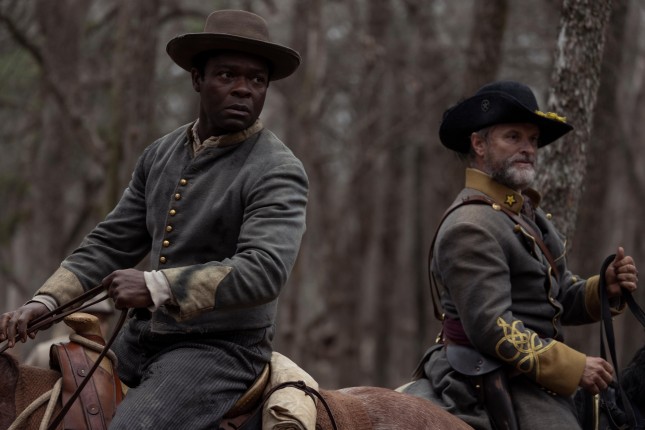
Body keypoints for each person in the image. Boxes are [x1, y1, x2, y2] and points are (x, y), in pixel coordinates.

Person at [0, 9, 308, 429]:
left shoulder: (277, 168)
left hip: (220, 351)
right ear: (197, 78)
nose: (243, 89)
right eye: (227, 75)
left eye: (257, 80)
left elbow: (265, 270)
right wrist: (46, 301)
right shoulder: (160, 154)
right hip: (141, 339)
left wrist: (154, 285)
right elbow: (111, 242)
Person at [401, 80, 639, 430]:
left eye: (533, 139)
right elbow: (492, 328)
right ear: (479, 144)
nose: (528, 148)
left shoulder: (523, 214)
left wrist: (603, 288)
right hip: (483, 374)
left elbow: (554, 298)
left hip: (527, 369)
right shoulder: (470, 225)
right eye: (513, 137)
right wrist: (574, 367)